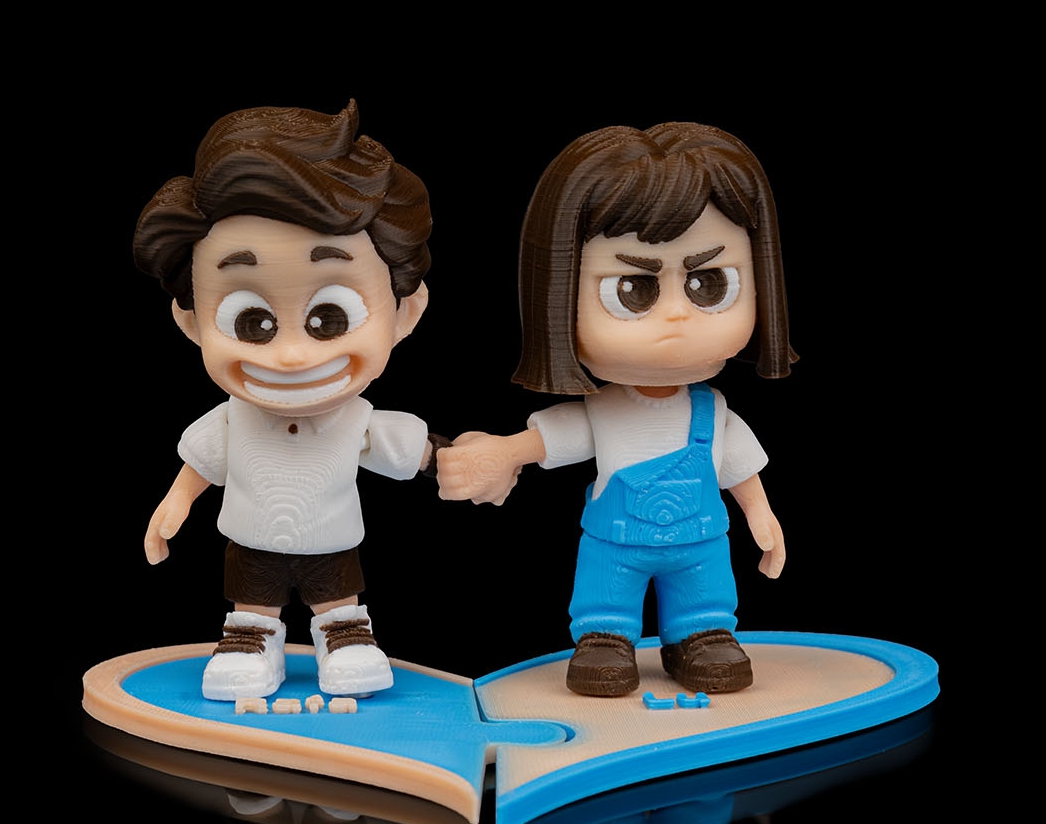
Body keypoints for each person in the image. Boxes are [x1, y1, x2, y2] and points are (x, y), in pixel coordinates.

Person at [438, 122, 795, 697]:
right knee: (606, 596)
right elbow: (550, 440)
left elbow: (739, 471)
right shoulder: (600, 410)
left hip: (701, 541)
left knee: (705, 597)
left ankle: (702, 634)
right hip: (616, 540)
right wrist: (503, 453)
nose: (676, 317)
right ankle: (605, 637)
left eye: (708, 284)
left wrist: (761, 514)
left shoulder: (715, 412)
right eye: (633, 290)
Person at [134, 103, 444, 701]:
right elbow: (202, 463)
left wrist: (449, 459)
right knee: (252, 598)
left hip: (332, 539)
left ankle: (344, 635)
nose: (293, 356)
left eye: (330, 317)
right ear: (193, 323)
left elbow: (411, 450)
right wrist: (175, 502)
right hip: (251, 539)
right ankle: (250, 641)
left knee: (337, 595)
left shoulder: (355, 419)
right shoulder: (234, 419)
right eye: (251, 322)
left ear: (404, 314)